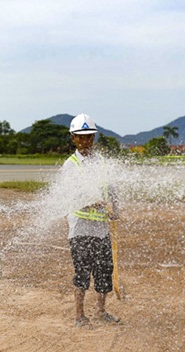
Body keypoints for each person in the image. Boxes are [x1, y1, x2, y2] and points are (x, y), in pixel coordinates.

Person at [62, 113, 120, 329]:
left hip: (101, 229)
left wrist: (115, 207)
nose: (86, 141)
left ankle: (101, 311)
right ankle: (80, 316)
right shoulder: (71, 165)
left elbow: (111, 188)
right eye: (81, 137)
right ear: (73, 138)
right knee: (82, 272)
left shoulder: (102, 162)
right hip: (80, 229)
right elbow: (70, 194)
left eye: (89, 137)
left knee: (105, 271)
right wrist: (92, 201)